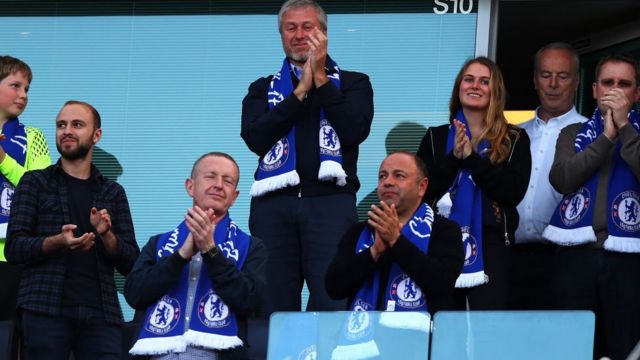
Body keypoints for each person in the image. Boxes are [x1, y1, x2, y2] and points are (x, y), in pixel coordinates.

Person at [241, 0, 373, 315]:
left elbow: (354, 130)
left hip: (330, 203)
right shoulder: (263, 89)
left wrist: (322, 81)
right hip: (273, 205)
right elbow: (256, 137)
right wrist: (299, 93)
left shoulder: (354, 83)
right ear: (282, 35)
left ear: (324, 34)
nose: (299, 35)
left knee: (332, 301)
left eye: (307, 27)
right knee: (271, 305)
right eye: (291, 27)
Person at [5, 100, 139, 359]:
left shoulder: (113, 192)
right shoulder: (35, 182)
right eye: (61, 125)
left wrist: (106, 234)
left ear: (96, 135)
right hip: (44, 309)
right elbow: (14, 248)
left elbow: (132, 262)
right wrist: (58, 241)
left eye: (77, 125)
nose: (67, 130)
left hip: (102, 313)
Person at [543, 54, 640, 360]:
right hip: (576, 255)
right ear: (595, 90)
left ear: (636, 94)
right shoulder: (573, 132)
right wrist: (607, 137)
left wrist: (624, 127)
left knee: (625, 347)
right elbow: (562, 178)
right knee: (571, 347)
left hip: (631, 259)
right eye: (608, 83)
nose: (615, 90)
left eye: (624, 84)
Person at [125, 152, 267, 359]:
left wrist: (211, 251)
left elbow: (249, 300)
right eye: (210, 176)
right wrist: (180, 256)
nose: (219, 185)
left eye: (227, 181)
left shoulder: (252, 247)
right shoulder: (159, 243)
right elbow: (135, 294)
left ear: (234, 197)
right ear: (190, 186)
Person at [416, 56, 531, 310]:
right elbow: (420, 192)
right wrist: (454, 159)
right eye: (468, 79)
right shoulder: (435, 137)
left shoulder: (515, 139)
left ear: (495, 91)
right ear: (459, 87)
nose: (475, 86)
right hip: (441, 241)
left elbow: (511, 192)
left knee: (487, 330)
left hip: (492, 244)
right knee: (445, 328)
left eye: (484, 81)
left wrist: (472, 160)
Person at [325, 151, 463, 314]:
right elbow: (334, 288)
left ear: (422, 187)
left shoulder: (444, 230)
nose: (387, 182)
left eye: (399, 176)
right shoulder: (359, 232)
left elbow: (441, 285)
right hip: (366, 336)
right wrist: (374, 252)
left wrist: (396, 242)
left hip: (422, 336)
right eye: (382, 176)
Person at [510, 43, 587, 310]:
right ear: (535, 80)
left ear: (576, 81)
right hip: (511, 259)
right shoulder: (512, 136)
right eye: (545, 75)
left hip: (567, 261)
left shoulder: (592, 135)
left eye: (562, 76)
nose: (553, 84)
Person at [0, 56, 51, 326]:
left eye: (27, 89)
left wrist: (3, 160)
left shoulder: (33, 136)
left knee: (9, 339)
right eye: (15, 86)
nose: (23, 95)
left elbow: (41, 188)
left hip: (13, 254)